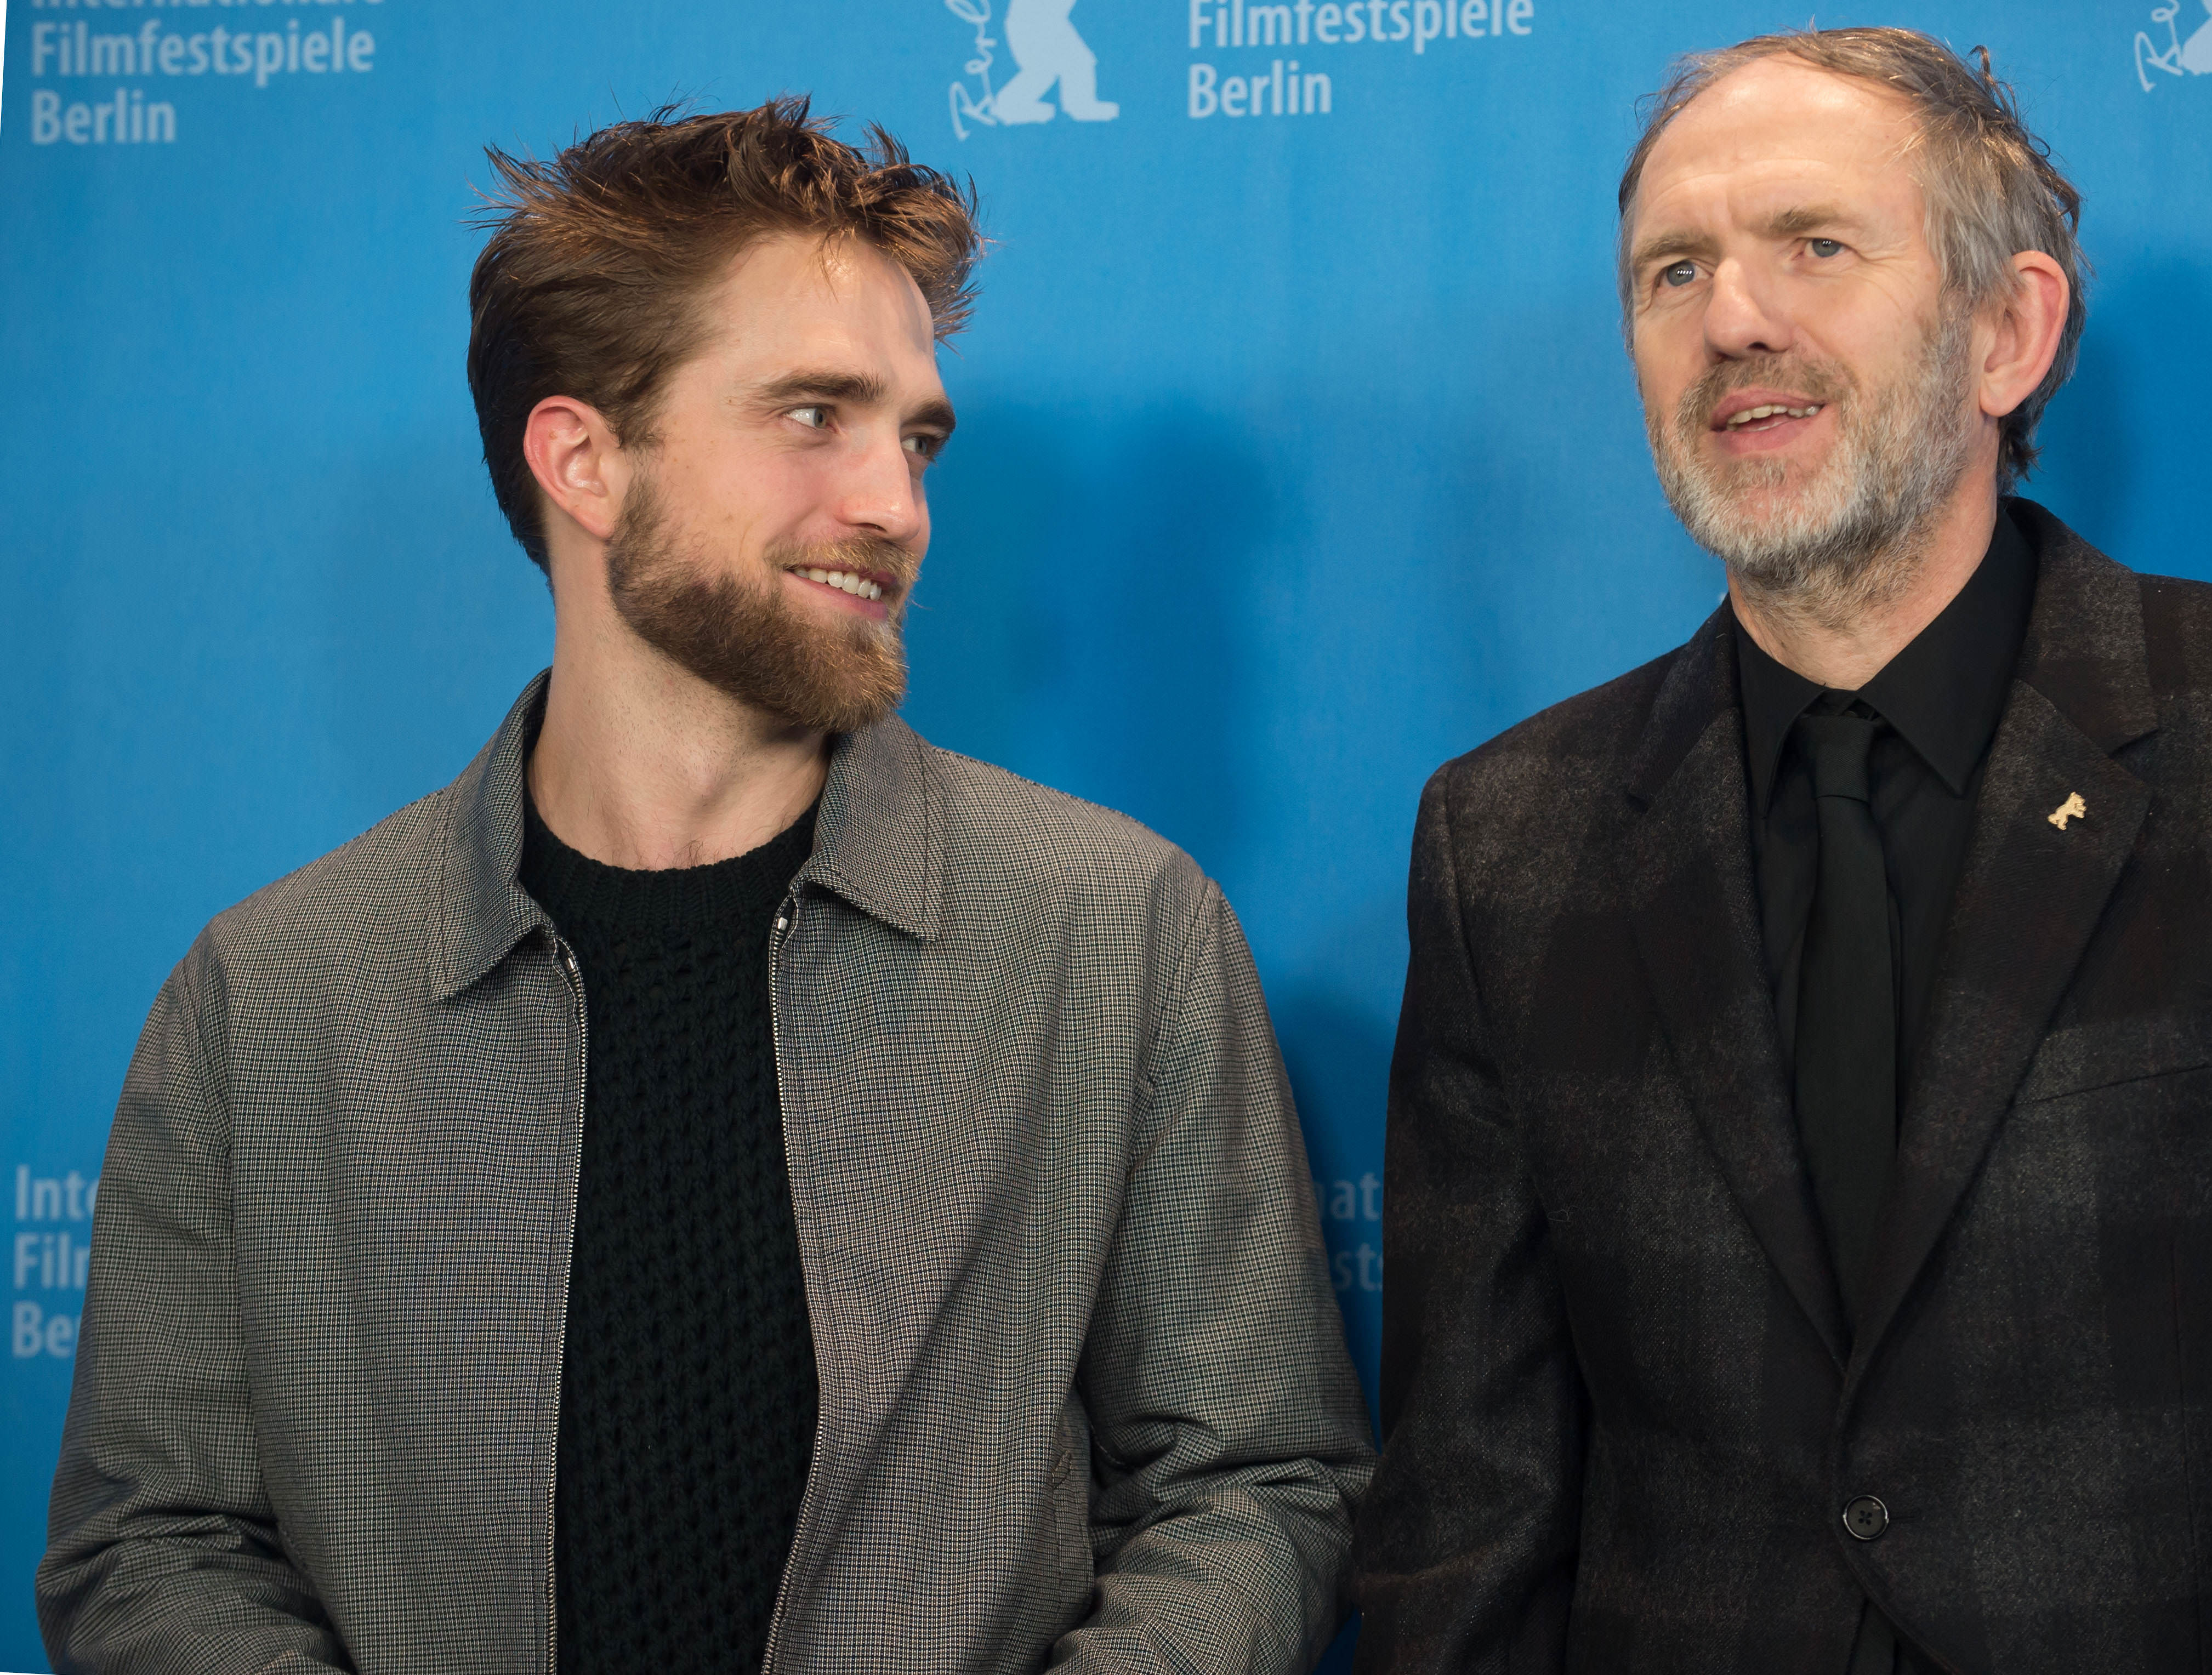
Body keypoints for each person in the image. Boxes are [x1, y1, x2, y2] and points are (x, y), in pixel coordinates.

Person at [38, 99, 1372, 1675]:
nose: (896, 506)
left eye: (916, 437)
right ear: (585, 460)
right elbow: (151, 1545)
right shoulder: (267, 998)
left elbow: (1254, 1487)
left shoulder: (1117, 932)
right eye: (813, 415)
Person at [1351, 27, 2212, 1673]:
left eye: (1815, 245)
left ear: (2008, 332)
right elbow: (1464, 1524)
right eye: (1672, 270)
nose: (1732, 318)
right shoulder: (1505, 839)